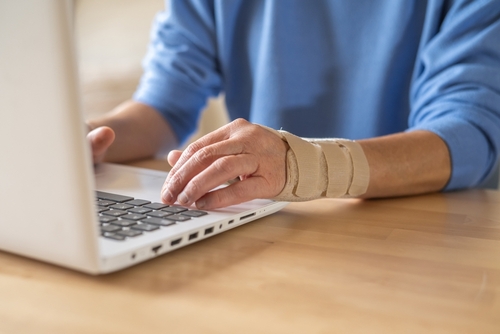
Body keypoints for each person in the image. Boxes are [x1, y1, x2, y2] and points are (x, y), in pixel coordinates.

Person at [87, 0, 500, 210]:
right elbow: (161, 105)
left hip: (414, 237)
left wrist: (304, 164)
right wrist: (78, 138)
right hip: (272, 229)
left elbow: (469, 134)